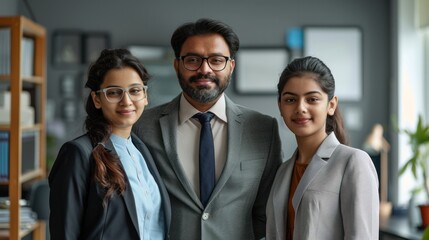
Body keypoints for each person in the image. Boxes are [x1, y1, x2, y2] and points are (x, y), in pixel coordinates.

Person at [132, 18, 282, 240]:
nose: (204, 69)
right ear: (177, 65)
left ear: (231, 66)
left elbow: (267, 210)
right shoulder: (142, 127)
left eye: (216, 60)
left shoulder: (263, 129)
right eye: (192, 60)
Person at [49, 49, 171, 240]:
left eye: (135, 90)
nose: (126, 101)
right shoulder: (78, 154)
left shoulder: (142, 150)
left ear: (145, 97)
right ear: (97, 99)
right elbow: (65, 233)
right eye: (114, 92)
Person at [266, 56, 379, 240]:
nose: (300, 108)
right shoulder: (283, 171)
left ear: (331, 105)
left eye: (312, 99)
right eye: (290, 100)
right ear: (280, 106)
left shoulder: (353, 162)